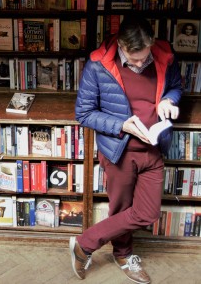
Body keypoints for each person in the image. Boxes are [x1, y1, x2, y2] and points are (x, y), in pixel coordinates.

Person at [70, 16, 182, 284]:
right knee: (121, 208)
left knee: (148, 213)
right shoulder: (98, 65)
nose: (141, 64)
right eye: (134, 59)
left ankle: (84, 243)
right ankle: (123, 256)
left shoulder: (164, 56)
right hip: (119, 151)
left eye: (145, 58)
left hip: (154, 148)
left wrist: (170, 99)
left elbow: (177, 87)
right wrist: (122, 125)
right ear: (121, 45)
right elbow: (84, 113)